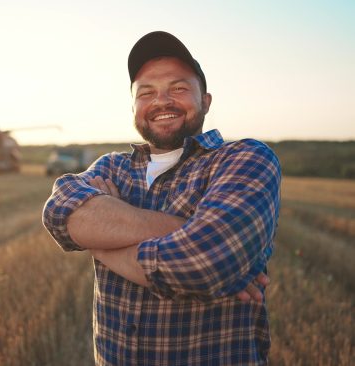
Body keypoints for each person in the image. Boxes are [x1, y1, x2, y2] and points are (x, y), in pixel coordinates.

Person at [42, 31, 281, 365]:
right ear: (134, 107)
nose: (161, 101)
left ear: (206, 101)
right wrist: (191, 232)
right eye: (146, 92)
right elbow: (58, 213)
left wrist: (99, 242)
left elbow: (202, 263)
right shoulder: (113, 167)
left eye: (178, 88)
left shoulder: (244, 159)